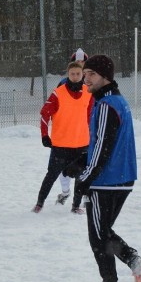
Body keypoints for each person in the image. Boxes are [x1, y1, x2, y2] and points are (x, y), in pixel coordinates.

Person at [63, 55, 141, 282]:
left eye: (91, 74)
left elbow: (103, 147)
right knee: (101, 233)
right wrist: (83, 159)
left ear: (105, 77)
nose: (86, 79)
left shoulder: (106, 105)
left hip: (106, 181)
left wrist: (85, 177)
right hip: (119, 178)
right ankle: (133, 268)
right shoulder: (115, 101)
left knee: (98, 236)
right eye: (85, 73)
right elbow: (104, 143)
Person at [33, 55, 93, 214]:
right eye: (72, 74)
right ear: (68, 74)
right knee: (51, 175)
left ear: (82, 75)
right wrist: (45, 135)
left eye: (78, 74)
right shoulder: (58, 93)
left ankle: (76, 206)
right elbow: (44, 114)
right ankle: (39, 203)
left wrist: (93, 135)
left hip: (82, 144)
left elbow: (90, 116)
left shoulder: (89, 92)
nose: (75, 76)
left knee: (82, 176)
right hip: (61, 145)